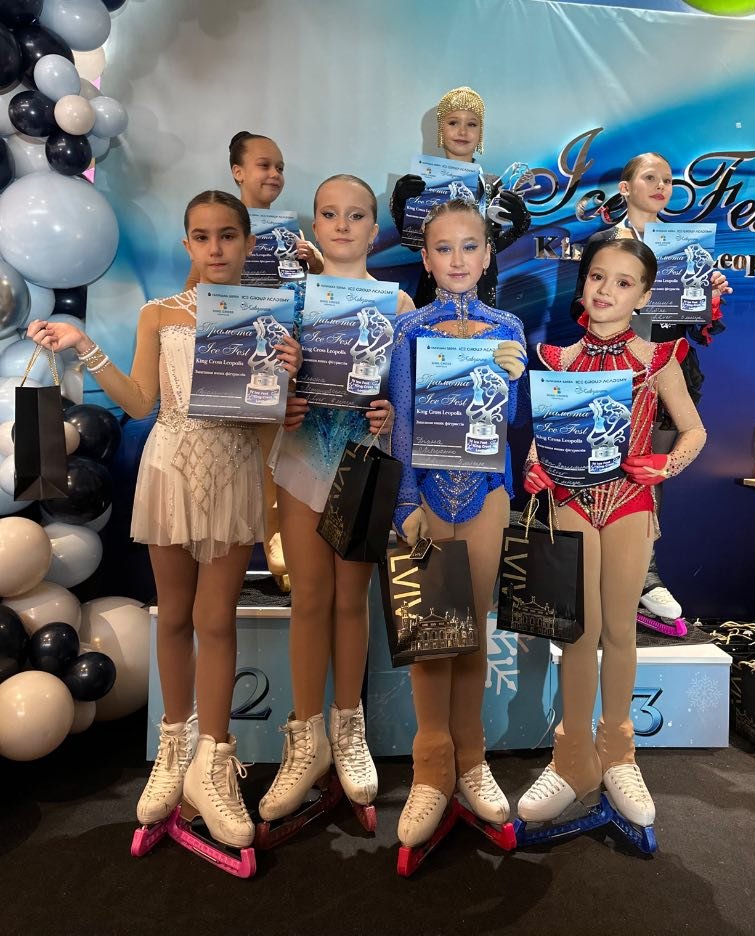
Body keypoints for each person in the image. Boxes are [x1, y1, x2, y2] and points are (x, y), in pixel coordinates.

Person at [27, 191, 302, 850]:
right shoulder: (159, 313)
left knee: (217, 618)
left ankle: (215, 760)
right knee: (174, 614)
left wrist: (290, 380)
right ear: (187, 244)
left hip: (234, 470)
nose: (216, 247)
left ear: (248, 243)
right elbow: (139, 401)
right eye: (202, 236)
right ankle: (173, 751)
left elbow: (275, 422)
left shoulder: (271, 318)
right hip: (171, 468)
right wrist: (85, 345)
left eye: (228, 235)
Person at [519, 238, 706, 828]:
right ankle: (573, 757)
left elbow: (694, 431)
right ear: (583, 284)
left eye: (624, 283)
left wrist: (665, 465)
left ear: (644, 296)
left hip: (629, 505)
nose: (606, 290)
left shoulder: (657, 359)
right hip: (572, 503)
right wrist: (533, 465)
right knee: (578, 633)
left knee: (620, 630)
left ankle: (619, 754)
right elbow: (544, 438)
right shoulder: (559, 359)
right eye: (598, 277)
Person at [258, 175, 415, 824]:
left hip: (364, 461)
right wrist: (282, 396)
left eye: (355, 215)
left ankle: (349, 729)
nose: (343, 225)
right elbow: (259, 390)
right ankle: (306, 738)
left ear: (374, 230)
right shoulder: (288, 301)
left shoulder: (398, 302)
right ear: (314, 226)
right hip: (302, 458)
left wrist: (390, 414)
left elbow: (407, 398)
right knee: (309, 598)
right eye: (330, 214)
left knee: (352, 601)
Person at [388, 198, 527, 847]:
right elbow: (402, 420)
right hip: (425, 498)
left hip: (486, 496)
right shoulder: (409, 330)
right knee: (430, 639)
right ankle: (429, 770)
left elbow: (508, 421)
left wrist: (513, 377)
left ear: (488, 253)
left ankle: (471, 762)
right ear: (425, 258)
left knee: (472, 634)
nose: (457, 259)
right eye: (443, 248)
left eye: (470, 246)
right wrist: (404, 502)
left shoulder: (508, 327)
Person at [571, 152, 731, 625]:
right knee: (603, 463)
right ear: (625, 188)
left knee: (649, 471)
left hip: (669, 369)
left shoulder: (687, 246)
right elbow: (580, 308)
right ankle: (606, 570)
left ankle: (645, 574)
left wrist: (709, 297)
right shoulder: (604, 243)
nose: (662, 186)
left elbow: (693, 323)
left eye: (667, 179)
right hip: (612, 368)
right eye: (650, 177)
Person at [185, 131, 323, 591]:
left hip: (284, 366)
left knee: (281, 468)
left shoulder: (292, 234)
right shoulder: (218, 233)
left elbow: (315, 302)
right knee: (250, 471)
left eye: (280, 167)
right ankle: (246, 561)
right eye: (265, 165)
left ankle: (284, 565)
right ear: (238, 172)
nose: (275, 174)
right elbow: (192, 302)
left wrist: (315, 264)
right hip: (235, 370)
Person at [389, 86, 531, 308]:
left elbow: (490, 246)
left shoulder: (492, 185)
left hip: (481, 290)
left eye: (471, 124)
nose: (462, 131)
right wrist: (401, 205)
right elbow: (415, 244)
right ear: (441, 129)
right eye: (453, 122)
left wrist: (520, 225)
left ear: (480, 132)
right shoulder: (422, 184)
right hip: (434, 289)